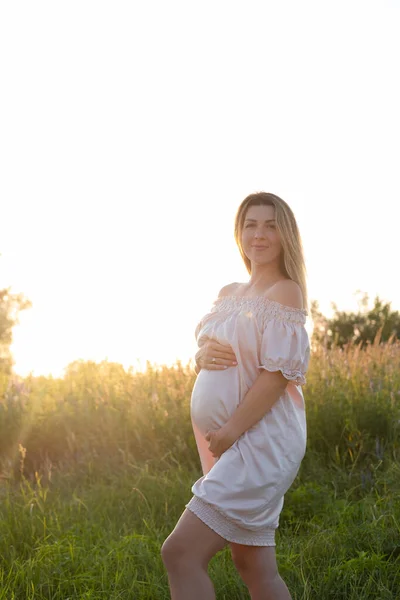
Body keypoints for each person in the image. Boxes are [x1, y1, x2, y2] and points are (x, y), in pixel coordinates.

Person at [161, 192, 311, 600]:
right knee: (253, 565)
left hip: (259, 441)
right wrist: (200, 355)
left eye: (269, 225)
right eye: (250, 224)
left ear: (285, 235)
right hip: (234, 443)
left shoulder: (285, 292)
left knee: (179, 553)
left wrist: (230, 430)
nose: (258, 234)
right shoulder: (229, 292)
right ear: (238, 232)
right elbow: (212, 351)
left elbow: (276, 377)